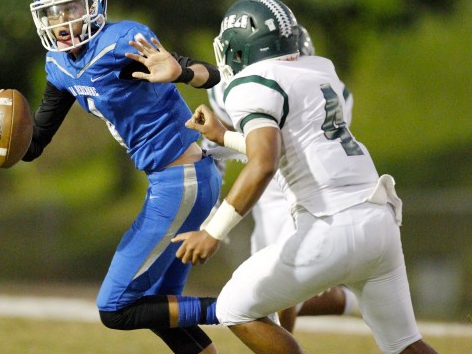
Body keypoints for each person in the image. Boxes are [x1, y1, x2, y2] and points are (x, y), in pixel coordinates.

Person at [0, 0, 225, 354]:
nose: (62, 22)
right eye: (52, 14)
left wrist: (180, 71)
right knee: (158, 308)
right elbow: (35, 145)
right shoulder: (59, 66)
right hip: (177, 180)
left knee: (116, 307)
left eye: (71, 9)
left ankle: (236, 307)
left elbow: (209, 73)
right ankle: (235, 314)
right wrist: (2, 134)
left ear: (94, 4)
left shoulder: (122, 41)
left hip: (182, 180)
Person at [172, 0, 438, 354]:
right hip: (379, 220)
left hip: (330, 225)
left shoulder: (252, 82)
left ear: (238, 47)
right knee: (406, 344)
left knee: (232, 306)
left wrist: (212, 232)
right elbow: (285, 143)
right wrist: (223, 136)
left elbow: (264, 162)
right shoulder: (319, 70)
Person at [127, 25, 360, 333]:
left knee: (277, 282)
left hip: (300, 184)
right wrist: (211, 203)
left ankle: (347, 302)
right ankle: (354, 300)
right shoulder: (234, 86)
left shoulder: (325, 90)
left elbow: (282, 153)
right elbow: (224, 145)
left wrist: (215, 224)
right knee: (273, 284)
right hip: (266, 183)